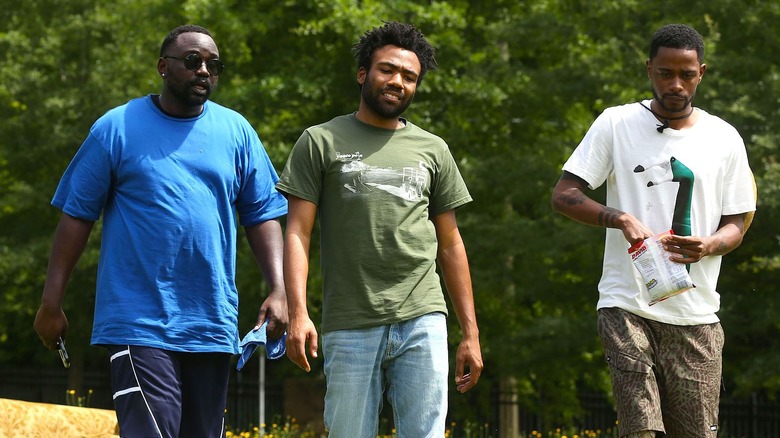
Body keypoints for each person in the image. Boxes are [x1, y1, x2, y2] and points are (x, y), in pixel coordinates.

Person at [33, 24, 288, 437]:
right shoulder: (116, 127)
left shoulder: (237, 131)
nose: (204, 70)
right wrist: (51, 303)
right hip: (139, 321)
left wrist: (280, 291)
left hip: (212, 323)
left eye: (213, 64)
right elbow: (76, 217)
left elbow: (262, 215)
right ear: (163, 67)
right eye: (192, 61)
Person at [277, 21, 483, 438]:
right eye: (387, 70)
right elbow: (297, 233)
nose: (398, 82)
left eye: (409, 76)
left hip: (423, 315)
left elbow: (451, 244)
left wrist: (471, 333)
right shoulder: (320, 141)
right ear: (363, 74)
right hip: (350, 320)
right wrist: (298, 313)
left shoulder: (433, 149)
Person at [551, 24, 756, 438]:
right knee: (641, 429)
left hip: (695, 314)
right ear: (649, 70)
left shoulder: (725, 138)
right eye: (665, 73)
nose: (675, 84)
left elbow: (738, 220)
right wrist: (619, 218)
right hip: (626, 305)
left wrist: (710, 244)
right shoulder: (616, 123)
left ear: (702, 71)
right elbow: (564, 194)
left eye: (686, 74)